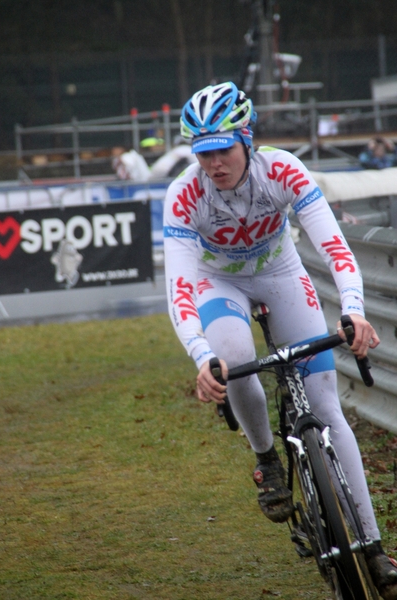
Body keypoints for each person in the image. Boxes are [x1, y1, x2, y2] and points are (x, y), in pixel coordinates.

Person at [163, 81, 397, 600]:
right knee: (236, 357)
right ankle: (267, 458)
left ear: (247, 139)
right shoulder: (184, 195)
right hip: (216, 282)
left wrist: (354, 311)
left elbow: (335, 248)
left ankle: (375, 546)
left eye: (223, 149)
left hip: (280, 274)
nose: (213, 163)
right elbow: (178, 284)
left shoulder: (284, 170)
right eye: (202, 153)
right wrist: (202, 356)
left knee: (328, 410)